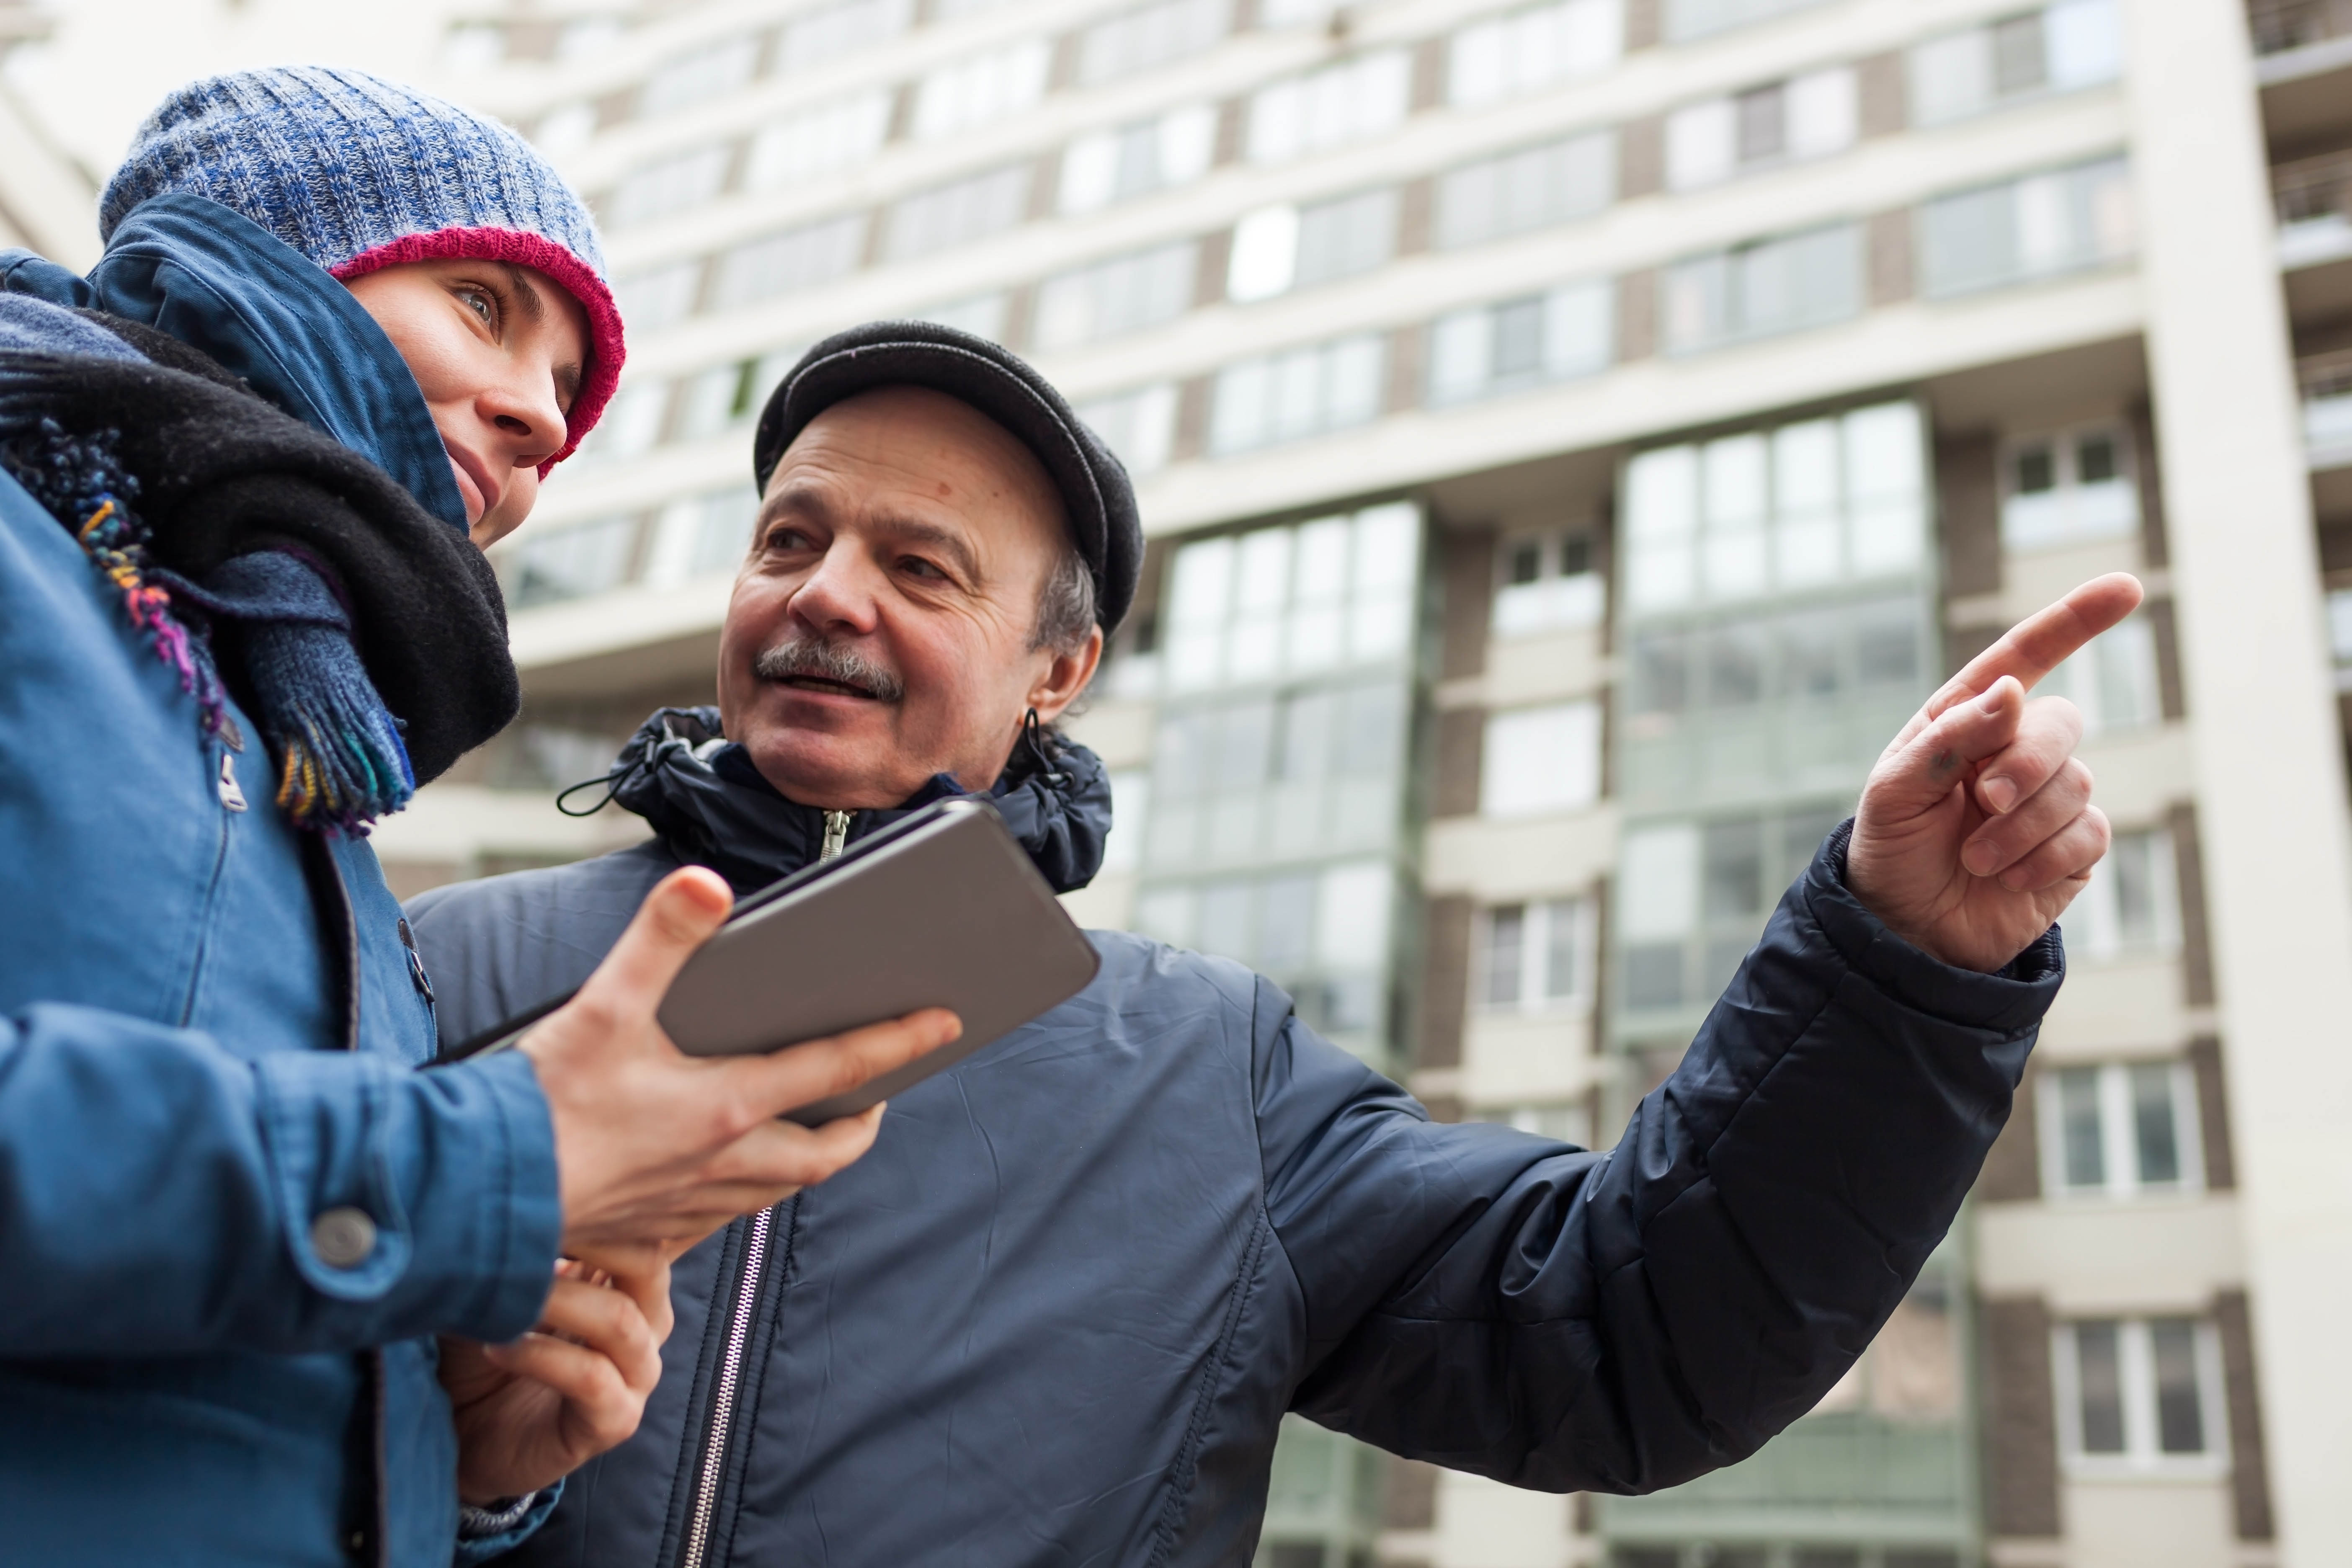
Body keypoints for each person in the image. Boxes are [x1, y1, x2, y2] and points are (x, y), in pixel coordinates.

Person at [408, 321, 2141, 1565]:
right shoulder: (440, 970)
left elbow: (1627, 1333)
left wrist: (1899, 955)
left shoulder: (1204, 1073)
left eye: (923, 569)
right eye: (791, 537)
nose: (825, 593)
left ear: (1054, 675)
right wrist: (474, 1505)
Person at [0, 72, 949, 1567]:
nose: (536, 416)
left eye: (566, 397)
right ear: (263, 245)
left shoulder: (319, 795)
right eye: (485, 307)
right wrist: (490, 1160)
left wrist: (451, 1445)